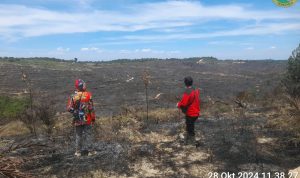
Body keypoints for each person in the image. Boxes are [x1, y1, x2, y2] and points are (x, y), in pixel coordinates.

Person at [67, 79, 96, 156]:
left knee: (78, 135)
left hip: (77, 120)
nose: (84, 85)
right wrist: (93, 118)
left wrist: (75, 112)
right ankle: (90, 151)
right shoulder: (88, 95)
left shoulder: (73, 96)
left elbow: (69, 108)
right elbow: (91, 108)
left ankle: (78, 152)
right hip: (87, 119)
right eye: (83, 84)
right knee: (88, 134)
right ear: (81, 86)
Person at [177, 76, 200, 144]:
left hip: (191, 113)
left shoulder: (187, 92)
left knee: (190, 129)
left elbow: (184, 103)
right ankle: (190, 141)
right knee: (190, 127)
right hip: (196, 112)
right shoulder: (196, 90)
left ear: (185, 83)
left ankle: (191, 144)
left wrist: (178, 104)